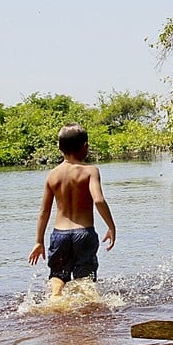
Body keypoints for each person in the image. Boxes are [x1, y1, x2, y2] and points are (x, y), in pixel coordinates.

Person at [28, 123, 116, 297]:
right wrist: (111, 226)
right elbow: (98, 199)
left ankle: (54, 301)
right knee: (85, 281)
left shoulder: (53, 175)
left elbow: (44, 212)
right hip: (84, 234)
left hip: (59, 235)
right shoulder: (90, 171)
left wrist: (39, 241)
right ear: (85, 147)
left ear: (60, 148)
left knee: (57, 277)